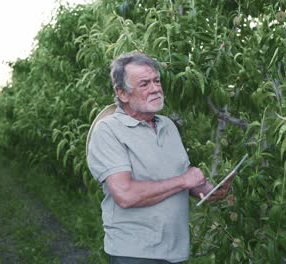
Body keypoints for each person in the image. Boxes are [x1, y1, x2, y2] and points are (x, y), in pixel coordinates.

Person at [87, 51, 233, 264]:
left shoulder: (168, 126)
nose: (156, 88)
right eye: (144, 84)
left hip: (175, 251)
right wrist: (184, 181)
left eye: (157, 81)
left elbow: (178, 178)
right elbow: (125, 194)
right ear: (122, 93)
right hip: (135, 253)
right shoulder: (109, 131)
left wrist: (206, 190)